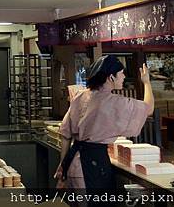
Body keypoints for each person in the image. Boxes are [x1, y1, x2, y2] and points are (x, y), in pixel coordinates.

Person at [54, 55, 154, 191]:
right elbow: (149, 108)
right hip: (93, 165)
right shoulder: (114, 102)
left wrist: (63, 165)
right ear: (111, 77)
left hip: (72, 163)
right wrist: (146, 82)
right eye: (121, 73)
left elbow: (65, 135)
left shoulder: (80, 96)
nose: (124, 77)